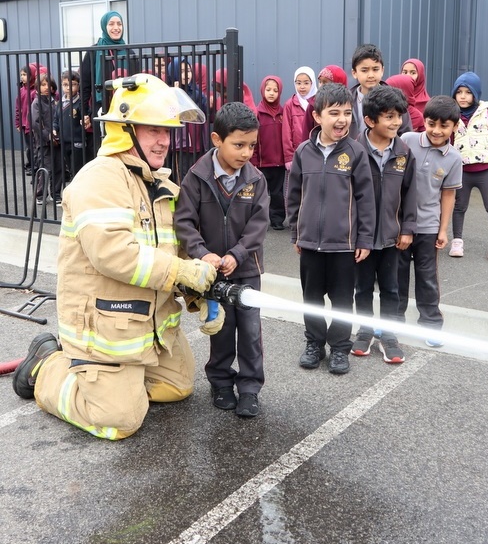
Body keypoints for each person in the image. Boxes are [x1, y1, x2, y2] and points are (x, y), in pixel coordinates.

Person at [12, 74, 222, 440]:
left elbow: (175, 250)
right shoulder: (100, 179)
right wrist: (181, 272)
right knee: (120, 420)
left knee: (179, 386)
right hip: (103, 330)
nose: (164, 141)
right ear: (124, 129)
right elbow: (114, 255)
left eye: (168, 131)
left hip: (145, 330)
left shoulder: (159, 184)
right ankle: (46, 367)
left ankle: (116, 380)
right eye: (153, 129)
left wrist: (197, 293)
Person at [176, 101, 269, 418]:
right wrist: (204, 255)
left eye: (252, 145)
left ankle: (249, 389)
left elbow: (259, 225)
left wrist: (237, 254)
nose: (246, 153)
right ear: (217, 140)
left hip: (247, 271)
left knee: (251, 331)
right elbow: (184, 223)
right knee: (221, 329)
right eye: (239, 145)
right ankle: (220, 382)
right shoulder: (196, 177)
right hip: (213, 275)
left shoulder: (256, 179)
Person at [287, 82, 376, 375]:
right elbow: (294, 195)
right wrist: (296, 233)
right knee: (311, 299)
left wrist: (363, 238)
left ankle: (339, 348)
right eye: (334, 113)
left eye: (348, 113)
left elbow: (366, 199)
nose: (342, 120)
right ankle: (314, 343)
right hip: (310, 243)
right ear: (317, 116)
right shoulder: (303, 152)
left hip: (344, 245)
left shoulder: (356, 152)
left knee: (341, 300)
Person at [351, 86, 417, 364]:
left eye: (398, 116)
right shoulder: (353, 151)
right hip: (362, 240)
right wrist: (354, 235)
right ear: (370, 120)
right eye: (389, 117)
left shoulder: (404, 152)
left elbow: (411, 192)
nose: (396, 123)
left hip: (392, 237)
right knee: (362, 288)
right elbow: (349, 197)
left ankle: (389, 336)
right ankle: (364, 331)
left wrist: (408, 228)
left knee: (392, 288)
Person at [397, 96, 462, 346]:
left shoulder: (454, 158)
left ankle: (431, 325)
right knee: (397, 276)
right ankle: (392, 322)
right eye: (432, 123)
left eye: (444, 126)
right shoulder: (408, 140)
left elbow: (448, 195)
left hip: (428, 228)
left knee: (427, 278)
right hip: (401, 225)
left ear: (454, 127)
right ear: (424, 121)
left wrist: (443, 230)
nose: (436, 130)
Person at [448, 72, 488, 261]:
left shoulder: (486, 112)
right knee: (459, 206)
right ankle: (457, 240)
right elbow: (448, 142)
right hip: (462, 171)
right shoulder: (452, 115)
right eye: (459, 92)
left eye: (468, 92)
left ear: (476, 94)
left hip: (486, 170)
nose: (463, 96)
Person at [80, 11, 138, 151]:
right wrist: (85, 112)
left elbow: (137, 82)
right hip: (102, 108)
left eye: (119, 24)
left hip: (126, 109)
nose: (116, 27)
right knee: (103, 147)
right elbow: (85, 85)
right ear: (104, 27)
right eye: (111, 24)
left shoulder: (130, 53)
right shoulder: (93, 51)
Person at [351, 44, 412, 138]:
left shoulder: (395, 99)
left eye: (375, 69)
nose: (370, 75)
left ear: (382, 70)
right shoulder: (347, 100)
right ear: (354, 73)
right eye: (364, 70)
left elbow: (405, 134)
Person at [167, 56, 209, 183]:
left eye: (189, 71)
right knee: (183, 178)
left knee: (198, 176)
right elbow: (171, 113)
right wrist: (176, 93)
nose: (187, 75)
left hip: (197, 143)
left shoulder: (196, 91)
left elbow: (204, 109)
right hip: (181, 145)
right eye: (182, 71)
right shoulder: (169, 92)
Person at [252, 74, 286, 229]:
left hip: (279, 162)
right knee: (261, 193)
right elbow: (253, 139)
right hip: (262, 162)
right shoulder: (257, 113)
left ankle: (277, 219)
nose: (271, 93)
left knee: (277, 194)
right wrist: (254, 160)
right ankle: (258, 220)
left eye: (275, 90)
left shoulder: (283, 112)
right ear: (262, 90)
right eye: (268, 89)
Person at [31, 72, 63, 205]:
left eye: (48, 84)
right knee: (46, 168)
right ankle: (40, 195)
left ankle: (56, 195)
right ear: (37, 87)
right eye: (43, 84)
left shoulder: (54, 101)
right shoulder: (36, 103)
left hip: (57, 140)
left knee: (59, 168)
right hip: (44, 142)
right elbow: (35, 123)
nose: (46, 87)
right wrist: (47, 135)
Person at [299, 64, 348, 142]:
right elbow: (306, 133)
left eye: (325, 82)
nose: (321, 85)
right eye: (320, 82)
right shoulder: (313, 104)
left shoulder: (348, 104)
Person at [58, 69, 92, 181]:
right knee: (70, 169)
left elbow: (87, 114)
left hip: (77, 142)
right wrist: (54, 128)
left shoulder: (80, 102)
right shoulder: (60, 103)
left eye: (72, 84)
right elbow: (55, 119)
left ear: (78, 86)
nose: (68, 88)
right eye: (65, 85)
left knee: (78, 170)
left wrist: (87, 118)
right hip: (64, 141)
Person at [282, 66, 317, 170]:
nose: (302, 87)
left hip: (315, 151)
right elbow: (286, 132)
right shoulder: (290, 104)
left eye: (306, 83)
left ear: (312, 83)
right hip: (297, 153)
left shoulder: (318, 102)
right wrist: (289, 157)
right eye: (298, 83)